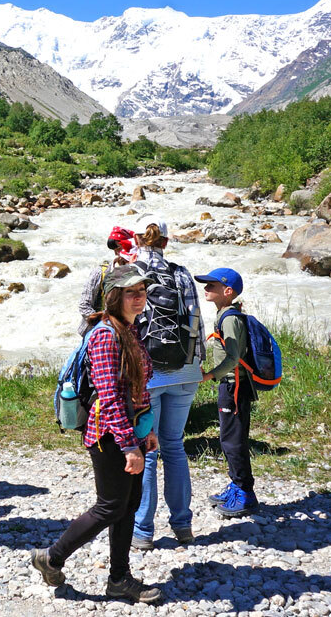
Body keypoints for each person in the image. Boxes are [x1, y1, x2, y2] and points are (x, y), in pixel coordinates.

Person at [29, 265, 163, 605]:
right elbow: (109, 395)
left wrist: (147, 430)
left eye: (143, 291)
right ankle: (52, 557)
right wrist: (129, 444)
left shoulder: (131, 330)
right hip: (109, 435)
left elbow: (139, 385)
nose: (139, 298)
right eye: (132, 292)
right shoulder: (105, 335)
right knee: (110, 506)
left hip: (131, 431)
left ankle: (119, 578)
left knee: (129, 504)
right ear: (115, 296)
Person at [130, 219, 205, 551]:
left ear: (136, 239)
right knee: (175, 447)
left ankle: (142, 532)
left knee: (148, 451)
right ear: (166, 241)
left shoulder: (131, 271)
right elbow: (195, 321)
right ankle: (183, 526)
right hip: (185, 371)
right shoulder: (182, 273)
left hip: (147, 376)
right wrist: (197, 365)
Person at [195, 267, 260, 518]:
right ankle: (236, 484)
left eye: (211, 285)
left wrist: (210, 375)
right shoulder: (225, 314)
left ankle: (245, 493)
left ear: (228, 291)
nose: (206, 289)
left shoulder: (230, 318)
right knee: (229, 437)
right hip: (232, 385)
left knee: (232, 440)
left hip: (235, 386)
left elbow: (233, 357)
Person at [77, 226, 138, 336]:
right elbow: (84, 305)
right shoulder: (100, 273)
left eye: (119, 249)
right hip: (95, 334)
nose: (116, 254)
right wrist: (105, 324)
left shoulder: (138, 277)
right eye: (117, 250)